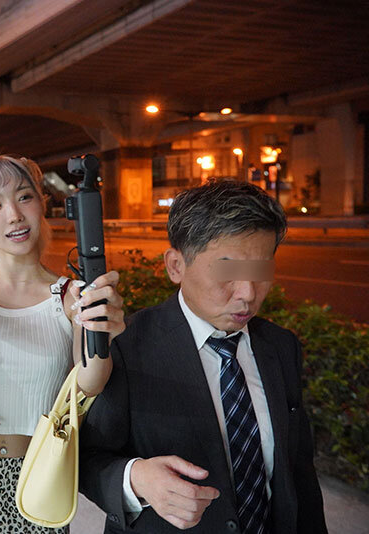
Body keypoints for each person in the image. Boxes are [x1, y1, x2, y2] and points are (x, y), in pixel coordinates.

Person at [79, 180, 327, 533]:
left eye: (261, 270)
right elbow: (85, 459)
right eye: (227, 271)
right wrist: (134, 478)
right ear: (175, 266)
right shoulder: (125, 347)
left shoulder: (281, 346)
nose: (247, 293)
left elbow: (299, 472)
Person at [0, 155, 125, 533]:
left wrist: (102, 330)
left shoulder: (71, 295)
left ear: (43, 204)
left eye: (24, 197)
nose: (14, 215)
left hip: (39, 480)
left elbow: (89, 384)